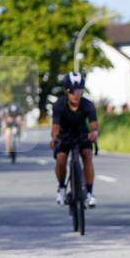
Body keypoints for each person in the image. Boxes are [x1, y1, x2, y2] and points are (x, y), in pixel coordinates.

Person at [49, 72, 99, 208]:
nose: (75, 94)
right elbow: (55, 126)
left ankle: (89, 193)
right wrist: (54, 138)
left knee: (88, 155)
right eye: (72, 91)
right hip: (64, 135)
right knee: (60, 158)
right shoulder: (59, 105)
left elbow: (94, 125)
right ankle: (61, 187)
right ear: (66, 91)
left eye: (79, 91)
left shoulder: (88, 105)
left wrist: (94, 133)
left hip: (82, 134)